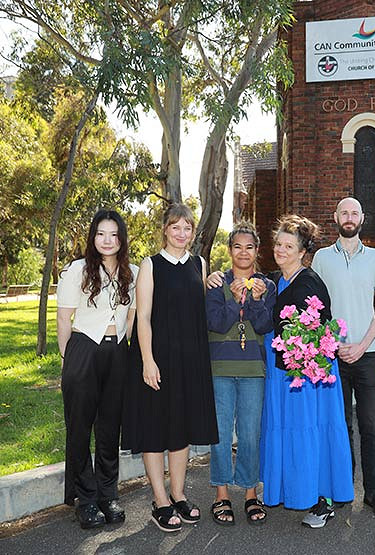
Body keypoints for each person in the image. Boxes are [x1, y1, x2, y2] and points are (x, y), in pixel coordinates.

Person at [122, 203, 218, 533]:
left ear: (193, 232)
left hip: (190, 359)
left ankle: (178, 494)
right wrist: (147, 360)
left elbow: (200, 309)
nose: (181, 233)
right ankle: (160, 500)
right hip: (158, 358)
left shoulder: (198, 264)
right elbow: (143, 317)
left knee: (182, 428)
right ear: (165, 229)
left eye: (187, 228)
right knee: (155, 428)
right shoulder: (150, 266)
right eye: (175, 227)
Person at [261, 214, 354, 528]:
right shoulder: (277, 280)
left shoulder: (309, 282)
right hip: (282, 374)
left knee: (313, 433)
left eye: (289, 246)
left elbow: (320, 333)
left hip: (307, 378)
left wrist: (304, 364)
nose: (281, 250)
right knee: (289, 432)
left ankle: (324, 501)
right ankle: (296, 491)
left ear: (302, 252)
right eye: (278, 244)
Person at [56, 210, 138, 529]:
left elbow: (130, 317)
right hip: (83, 350)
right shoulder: (76, 271)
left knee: (109, 428)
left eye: (114, 234)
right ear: (93, 237)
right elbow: (64, 319)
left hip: (116, 352)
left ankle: (108, 494)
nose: (107, 240)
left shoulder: (130, 272)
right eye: (101, 233)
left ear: (121, 239)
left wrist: (124, 348)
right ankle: (85, 498)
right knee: (79, 427)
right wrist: (70, 360)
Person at [310, 197, 375, 517]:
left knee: (371, 426)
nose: (349, 217)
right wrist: (331, 344)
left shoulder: (374, 258)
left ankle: (373, 491)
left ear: (362, 217)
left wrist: (360, 345)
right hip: (333, 356)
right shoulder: (321, 258)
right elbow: (314, 308)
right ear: (335, 217)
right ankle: (343, 487)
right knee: (339, 425)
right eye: (343, 212)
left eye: (354, 212)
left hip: (368, 355)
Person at [205, 222, 276, 526]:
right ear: (229, 250)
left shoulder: (267, 286)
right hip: (220, 369)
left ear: (257, 251)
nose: (243, 252)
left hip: (252, 371)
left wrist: (257, 302)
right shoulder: (215, 283)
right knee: (220, 434)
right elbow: (216, 324)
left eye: (249, 247)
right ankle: (221, 494)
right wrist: (235, 301)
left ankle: (249, 493)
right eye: (237, 246)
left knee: (249, 434)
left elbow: (263, 326)